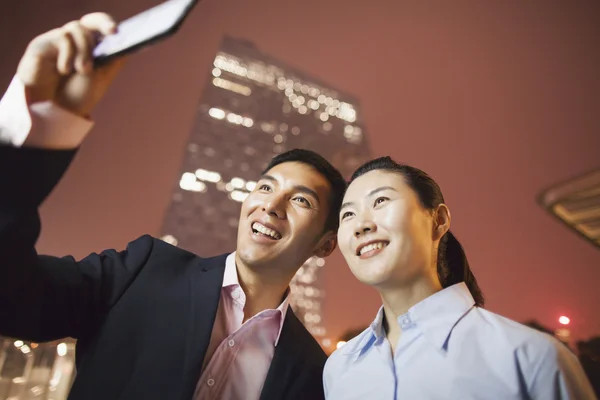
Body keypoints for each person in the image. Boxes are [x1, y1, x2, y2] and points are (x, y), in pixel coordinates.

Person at [0, 13, 347, 400]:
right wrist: (39, 125)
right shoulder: (142, 270)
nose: (271, 205)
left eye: (301, 199)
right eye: (266, 187)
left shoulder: (316, 374)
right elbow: (11, 296)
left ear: (326, 243)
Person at [323, 156, 597, 399]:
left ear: (439, 220)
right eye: (348, 214)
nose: (361, 225)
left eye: (380, 201)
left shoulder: (530, 358)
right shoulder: (339, 368)